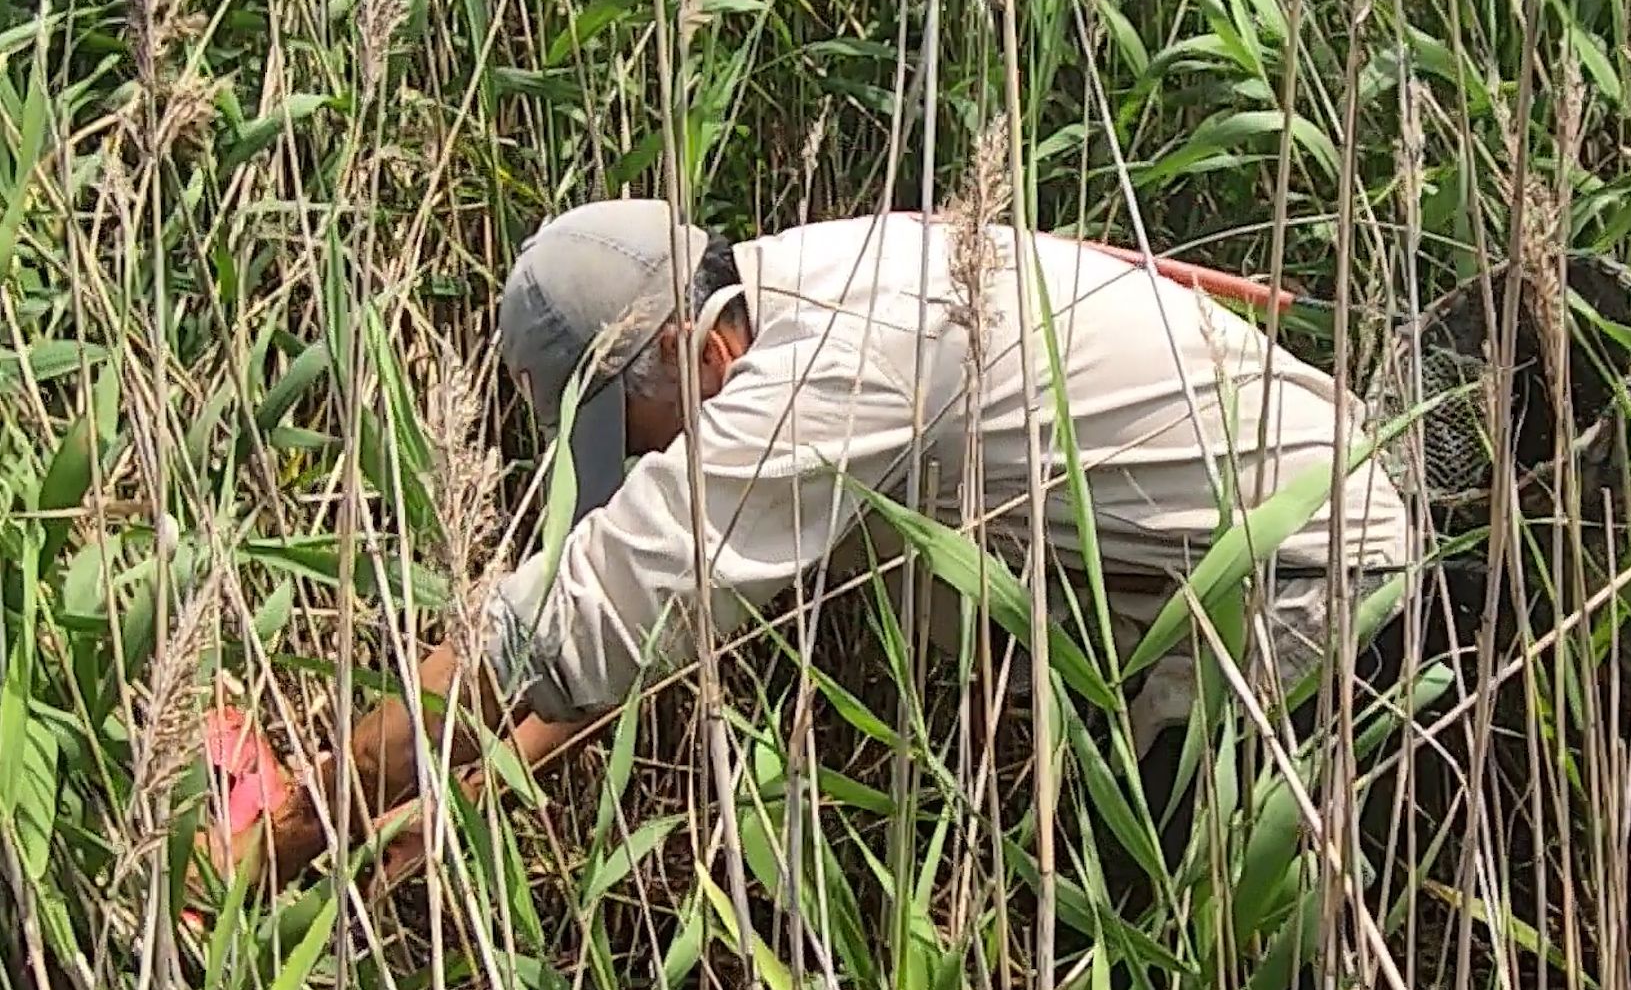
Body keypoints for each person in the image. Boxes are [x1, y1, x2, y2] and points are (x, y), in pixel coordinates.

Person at [199, 199, 1411, 890]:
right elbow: (649, 629)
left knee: (1150, 905)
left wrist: (286, 834)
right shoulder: (800, 270)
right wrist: (451, 795)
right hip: (1185, 548)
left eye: (645, 439)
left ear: (700, 354)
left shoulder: (827, 380)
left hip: (1290, 587)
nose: (656, 472)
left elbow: (585, 617)